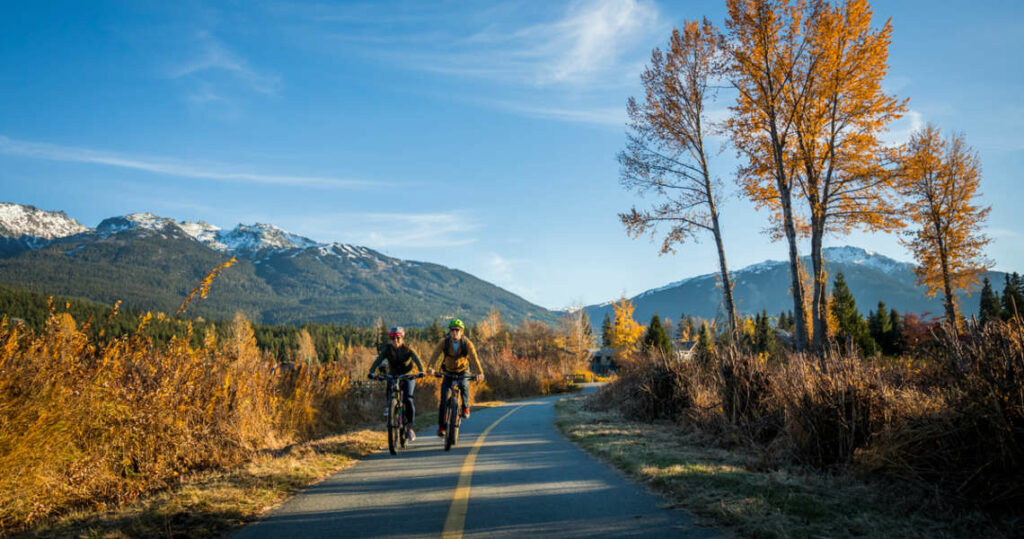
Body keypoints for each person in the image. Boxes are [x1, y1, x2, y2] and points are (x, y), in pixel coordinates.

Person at [426, 318, 485, 438]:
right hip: (448, 371)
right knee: (443, 400)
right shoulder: (445, 342)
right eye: (452, 330)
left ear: (462, 332)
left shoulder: (467, 343)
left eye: (457, 330)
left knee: (464, 385)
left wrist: (480, 372)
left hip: (463, 371)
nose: (454, 332)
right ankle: (442, 427)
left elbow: (474, 358)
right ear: (449, 331)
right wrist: (430, 367)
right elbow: (435, 355)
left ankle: (465, 407)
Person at [367, 327, 425, 442]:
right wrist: (371, 372)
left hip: (408, 376)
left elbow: (417, 359)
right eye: (392, 338)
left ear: (402, 338)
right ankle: (390, 406)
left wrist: (421, 371)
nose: (395, 341)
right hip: (393, 375)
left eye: (398, 338)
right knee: (390, 390)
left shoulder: (408, 349)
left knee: (408, 399)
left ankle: (410, 427)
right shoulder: (387, 349)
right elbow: (378, 360)